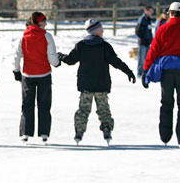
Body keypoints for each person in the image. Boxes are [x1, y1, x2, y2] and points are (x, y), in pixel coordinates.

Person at [59, 19, 136, 145]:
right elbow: (116, 62)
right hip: (101, 84)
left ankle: (79, 130)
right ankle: (106, 128)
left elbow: (70, 60)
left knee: (83, 110)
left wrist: (61, 56)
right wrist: (128, 71)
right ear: (95, 30)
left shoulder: (81, 45)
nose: (103, 31)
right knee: (103, 109)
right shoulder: (105, 46)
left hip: (86, 85)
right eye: (101, 29)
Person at [142, 1, 180, 148]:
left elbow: (153, 50)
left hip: (166, 73)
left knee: (166, 103)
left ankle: (165, 136)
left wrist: (146, 70)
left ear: (170, 13)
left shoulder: (163, 29)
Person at [12, 11, 63, 143]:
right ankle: (44, 132)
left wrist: (16, 70)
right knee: (44, 104)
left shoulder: (24, 37)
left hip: (28, 75)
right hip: (44, 74)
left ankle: (25, 133)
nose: (46, 23)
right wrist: (57, 63)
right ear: (38, 22)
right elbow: (51, 55)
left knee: (27, 104)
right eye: (44, 20)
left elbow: (17, 55)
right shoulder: (47, 36)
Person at [135, 5, 154, 76]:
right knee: (141, 59)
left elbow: (149, 31)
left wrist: (150, 40)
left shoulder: (148, 19)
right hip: (142, 42)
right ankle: (140, 73)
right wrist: (144, 39)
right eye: (150, 11)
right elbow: (138, 31)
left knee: (147, 59)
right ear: (146, 11)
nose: (151, 13)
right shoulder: (142, 19)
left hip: (147, 42)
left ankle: (145, 72)